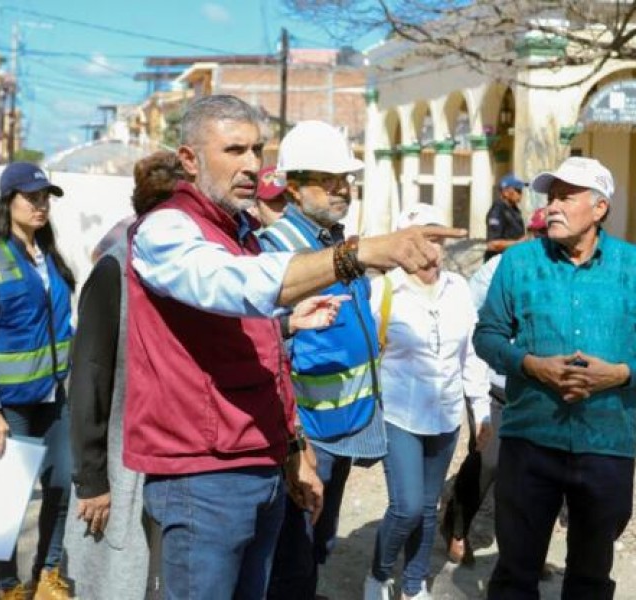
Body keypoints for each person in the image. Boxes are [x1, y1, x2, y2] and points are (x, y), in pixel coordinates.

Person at [124, 94, 466, 600]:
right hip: (203, 476)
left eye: (256, 149)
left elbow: (256, 354)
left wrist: (290, 446)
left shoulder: (239, 232)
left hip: (260, 460)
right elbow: (234, 285)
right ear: (191, 160)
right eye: (234, 149)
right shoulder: (167, 228)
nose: (250, 164)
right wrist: (361, 253)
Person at [474, 156, 636, 599]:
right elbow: (486, 336)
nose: (553, 207)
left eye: (567, 197)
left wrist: (621, 375)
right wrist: (531, 365)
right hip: (530, 442)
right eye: (551, 197)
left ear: (599, 208)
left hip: (608, 445)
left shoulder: (632, 267)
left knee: (590, 577)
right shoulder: (518, 263)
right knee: (514, 576)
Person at [260, 120, 386, 600]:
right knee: (293, 551)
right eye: (328, 180)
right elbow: (271, 350)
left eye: (345, 180)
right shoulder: (281, 253)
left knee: (317, 542)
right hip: (308, 435)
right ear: (293, 188)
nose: (342, 190)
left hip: (343, 425)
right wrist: (296, 446)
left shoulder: (333, 241)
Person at [64, 150, 182, 600]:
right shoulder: (115, 270)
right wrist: (92, 480)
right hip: (121, 468)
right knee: (120, 581)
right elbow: (89, 381)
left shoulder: (188, 271)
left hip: (172, 464)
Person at [364, 203, 490, 600]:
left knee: (428, 506)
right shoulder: (382, 290)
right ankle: (379, 575)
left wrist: (480, 413)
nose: (429, 246)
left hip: (446, 415)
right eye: (420, 237)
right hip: (399, 414)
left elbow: (471, 354)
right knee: (406, 508)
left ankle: (415, 583)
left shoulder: (458, 290)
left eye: (435, 237)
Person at [0, 162, 75, 600]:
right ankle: (7, 586)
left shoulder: (50, 258)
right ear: (8, 201)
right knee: (5, 500)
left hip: (53, 396)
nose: (41, 205)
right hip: (8, 402)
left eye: (46, 197)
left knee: (64, 483)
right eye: (31, 197)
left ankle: (47, 574)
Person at [440, 208, 548, 566]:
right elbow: (467, 317)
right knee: (489, 461)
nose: (546, 239)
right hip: (497, 386)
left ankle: (524, 555)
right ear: (530, 235)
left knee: (536, 475)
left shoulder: (573, 277)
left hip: (545, 392)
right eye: (539, 233)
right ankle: (456, 528)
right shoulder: (500, 267)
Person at [484, 173, 527, 261]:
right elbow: (492, 244)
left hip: (512, 260)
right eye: (518, 190)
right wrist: (520, 243)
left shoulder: (514, 210)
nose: (521, 194)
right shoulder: (498, 210)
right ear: (505, 192)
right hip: (498, 263)